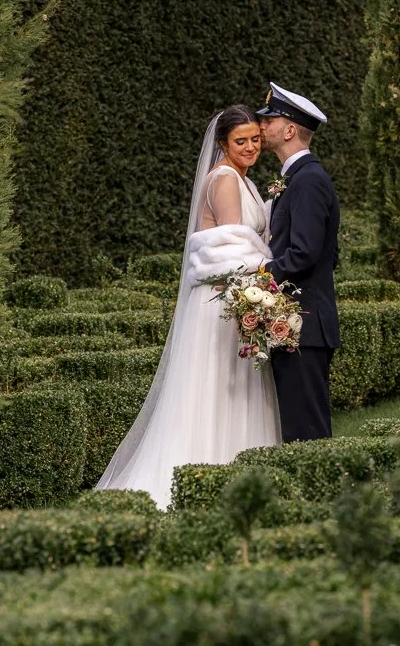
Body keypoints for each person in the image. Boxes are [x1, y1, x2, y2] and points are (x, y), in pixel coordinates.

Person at [95, 105, 281, 508]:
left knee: (236, 388)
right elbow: (235, 254)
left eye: (254, 139)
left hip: (229, 295)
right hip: (222, 300)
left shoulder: (244, 180)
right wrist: (258, 294)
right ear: (222, 144)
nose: (250, 147)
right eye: (240, 141)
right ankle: (210, 472)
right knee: (219, 388)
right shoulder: (227, 180)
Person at [257, 82, 341, 442]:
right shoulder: (296, 178)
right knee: (297, 427)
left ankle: (322, 497)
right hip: (296, 322)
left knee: (307, 432)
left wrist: (257, 278)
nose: (262, 125)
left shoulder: (307, 181)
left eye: (270, 118)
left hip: (303, 325)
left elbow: (305, 252)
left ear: (289, 129)